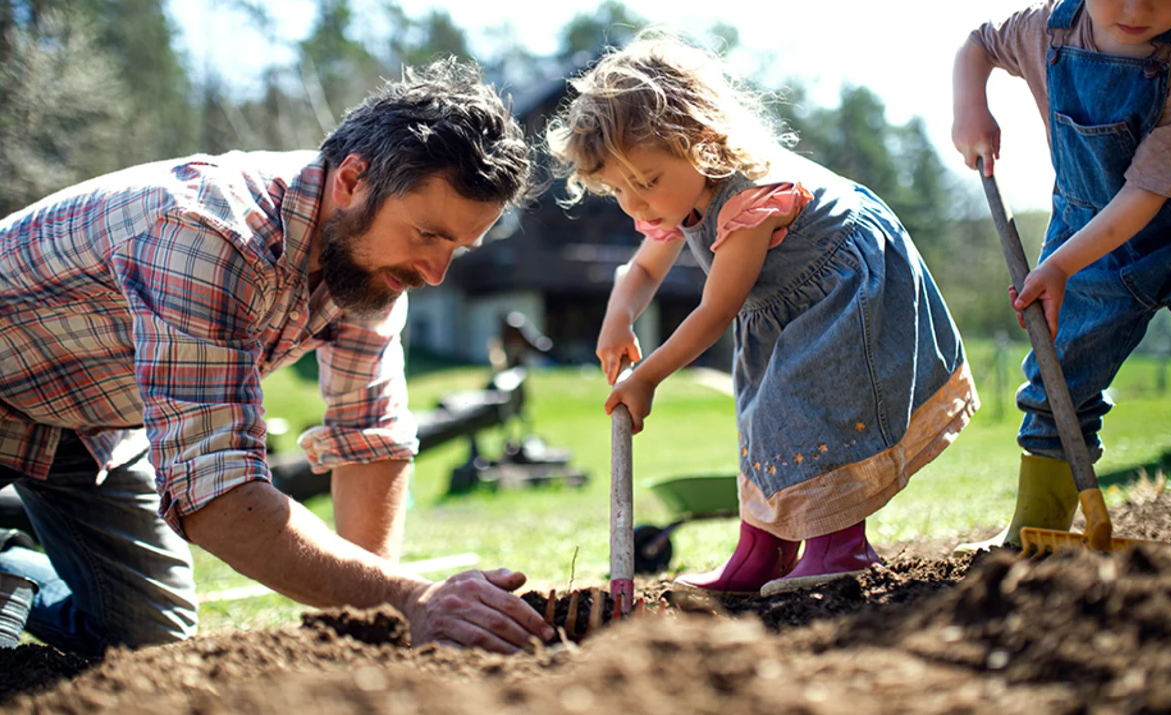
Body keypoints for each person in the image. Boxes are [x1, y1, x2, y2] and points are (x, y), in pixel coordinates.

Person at [0, 59, 555, 655]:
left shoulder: (368, 264)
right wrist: (410, 600)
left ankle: (12, 568)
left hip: (87, 427)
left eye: (457, 247)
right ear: (352, 180)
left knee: (151, 643)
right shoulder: (205, 231)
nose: (435, 273)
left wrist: (373, 625)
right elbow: (216, 496)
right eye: (427, 234)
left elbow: (369, 437)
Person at [547, 33, 979, 597]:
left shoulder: (751, 197)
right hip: (783, 303)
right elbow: (643, 270)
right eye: (620, 190)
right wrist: (618, 316)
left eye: (647, 182)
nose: (637, 204)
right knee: (764, 417)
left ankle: (839, 545)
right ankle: (762, 551)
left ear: (700, 140)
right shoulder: (674, 197)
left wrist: (648, 375)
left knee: (816, 407)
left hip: (841, 285)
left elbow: (716, 310)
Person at [952, 0, 1171, 551]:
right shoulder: (1045, 30)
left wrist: (1057, 266)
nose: (1136, 8)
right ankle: (1039, 527)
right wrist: (970, 106)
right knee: (1060, 368)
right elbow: (978, 44)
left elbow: (1146, 192)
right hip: (1087, 232)